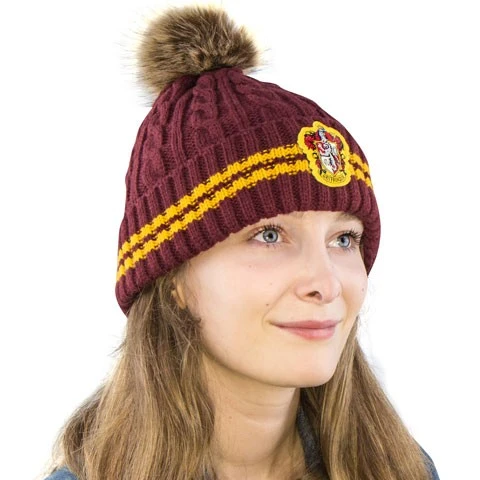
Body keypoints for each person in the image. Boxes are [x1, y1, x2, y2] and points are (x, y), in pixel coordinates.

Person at [44, 5, 439, 480]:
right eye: (269, 235)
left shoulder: (401, 468)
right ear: (173, 280)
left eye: (344, 238)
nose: (328, 284)